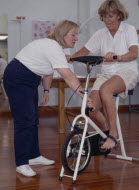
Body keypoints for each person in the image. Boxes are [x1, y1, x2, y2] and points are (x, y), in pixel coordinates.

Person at [3, 20, 92, 177]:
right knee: (24, 121)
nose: (76, 38)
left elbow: (48, 71)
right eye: (73, 35)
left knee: (33, 119)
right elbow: (68, 77)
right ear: (62, 35)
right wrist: (84, 94)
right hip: (17, 77)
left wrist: (45, 90)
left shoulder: (55, 47)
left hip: (31, 79)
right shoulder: (52, 47)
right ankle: (22, 163)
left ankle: (33, 156)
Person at [70, 0, 139, 151]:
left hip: (127, 71)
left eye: (110, 16)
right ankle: (105, 133)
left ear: (119, 15)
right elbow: (84, 51)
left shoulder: (129, 30)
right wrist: (70, 58)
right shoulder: (100, 34)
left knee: (106, 90)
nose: (106, 20)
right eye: (104, 16)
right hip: (106, 74)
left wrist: (118, 56)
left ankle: (112, 136)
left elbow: (134, 54)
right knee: (91, 108)